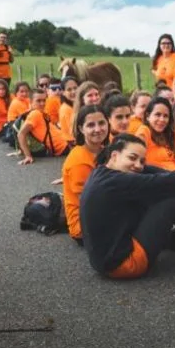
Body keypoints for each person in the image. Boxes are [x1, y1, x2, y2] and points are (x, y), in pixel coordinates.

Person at [78, 134, 175, 279]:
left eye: (142, 160)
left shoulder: (101, 173)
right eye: (132, 158)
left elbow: (149, 171)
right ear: (114, 156)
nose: (138, 165)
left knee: (163, 189)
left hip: (105, 261)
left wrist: (168, 174)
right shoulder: (116, 182)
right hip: (124, 264)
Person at [62, 105, 109, 245]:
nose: (98, 129)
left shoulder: (104, 150)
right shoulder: (79, 160)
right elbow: (88, 204)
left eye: (101, 123)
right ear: (81, 129)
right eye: (91, 125)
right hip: (83, 227)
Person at [134, 97, 175, 174]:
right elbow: (137, 163)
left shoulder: (169, 134)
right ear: (148, 116)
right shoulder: (144, 131)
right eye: (157, 115)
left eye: (165, 116)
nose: (162, 119)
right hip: (160, 177)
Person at [17, 89, 71, 165]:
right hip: (63, 147)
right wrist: (27, 156)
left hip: (65, 143)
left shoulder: (39, 112)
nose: (42, 103)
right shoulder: (35, 114)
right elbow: (21, 134)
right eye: (38, 101)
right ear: (31, 101)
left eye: (44, 100)